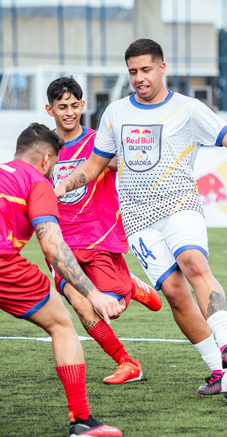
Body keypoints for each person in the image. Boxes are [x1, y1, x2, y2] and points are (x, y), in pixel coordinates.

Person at [56, 38, 227, 396]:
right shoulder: (115, 113)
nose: (139, 78)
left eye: (145, 70)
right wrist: (60, 189)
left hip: (179, 204)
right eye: (133, 72)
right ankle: (218, 370)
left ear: (162, 67)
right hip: (137, 219)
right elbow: (94, 165)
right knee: (173, 293)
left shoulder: (188, 109)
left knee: (193, 262)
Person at [0, 123, 124, 437]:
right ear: (46, 159)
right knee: (61, 324)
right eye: (55, 165)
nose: (53, 170)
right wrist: (94, 293)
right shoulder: (36, 180)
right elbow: (53, 247)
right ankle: (82, 421)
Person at [45, 76, 162, 385]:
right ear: (50, 109)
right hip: (62, 243)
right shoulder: (45, 150)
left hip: (99, 236)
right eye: (61, 107)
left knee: (114, 309)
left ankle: (130, 286)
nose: (69, 112)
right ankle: (126, 362)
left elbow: (130, 168)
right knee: (82, 305)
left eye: (74, 106)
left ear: (83, 105)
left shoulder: (100, 142)